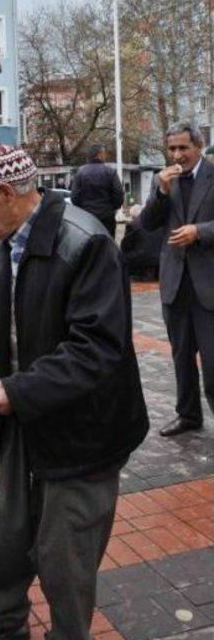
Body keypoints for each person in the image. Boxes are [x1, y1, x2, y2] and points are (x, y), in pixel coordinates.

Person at [0, 144, 148, 640]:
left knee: (67, 553)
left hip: (84, 429)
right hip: (25, 419)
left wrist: (14, 391)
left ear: (7, 195)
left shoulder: (85, 243)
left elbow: (96, 348)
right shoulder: (1, 241)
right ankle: (8, 619)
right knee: (8, 533)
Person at [140, 120, 214, 437]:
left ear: (198, 147)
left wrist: (200, 231)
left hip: (208, 282)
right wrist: (160, 192)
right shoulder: (164, 180)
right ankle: (188, 415)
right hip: (175, 282)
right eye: (172, 148)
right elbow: (146, 223)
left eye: (183, 148)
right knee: (181, 354)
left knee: (212, 361)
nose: (177, 155)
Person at [70, 143, 124, 237]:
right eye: (104, 153)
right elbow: (119, 194)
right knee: (108, 247)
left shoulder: (81, 172)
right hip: (107, 218)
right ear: (99, 154)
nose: (105, 156)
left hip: (87, 218)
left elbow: (74, 197)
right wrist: (112, 208)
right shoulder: (110, 172)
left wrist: (83, 209)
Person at [120, 205, 162, 281]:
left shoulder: (133, 224)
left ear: (133, 216)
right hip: (158, 258)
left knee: (122, 257)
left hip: (142, 258)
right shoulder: (158, 222)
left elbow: (124, 246)